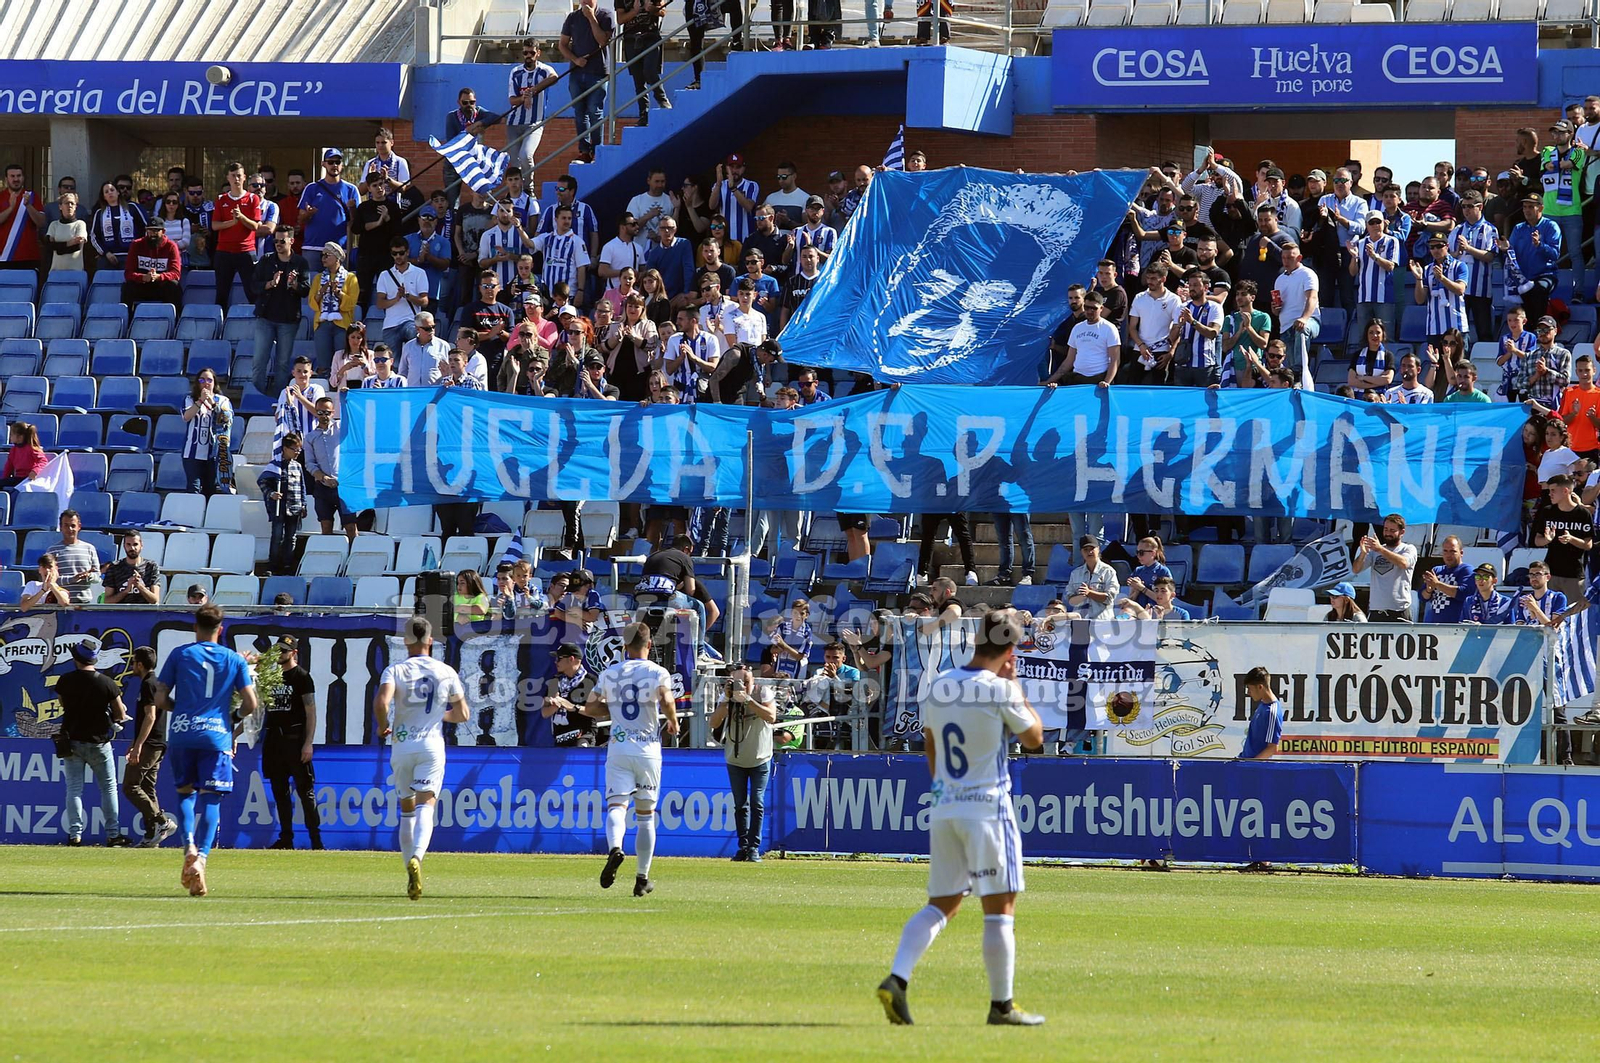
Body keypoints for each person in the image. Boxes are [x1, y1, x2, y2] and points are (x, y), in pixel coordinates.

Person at [877, 609, 1044, 1028]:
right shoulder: (998, 688)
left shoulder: (941, 684)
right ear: (1009, 651)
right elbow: (1035, 738)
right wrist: (1015, 684)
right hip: (987, 808)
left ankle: (897, 978)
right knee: (1000, 907)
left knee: (943, 904)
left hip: (946, 805)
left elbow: (930, 745)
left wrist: (944, 790)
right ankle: (1001, 1006)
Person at [157, 605, 258, 896]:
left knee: (185, 794)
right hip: (216, 736)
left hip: (182, 734)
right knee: (211, 801)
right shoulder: (234, 659)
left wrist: (183, 709)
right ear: (221, 628)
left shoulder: (181, 654)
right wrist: (233, 718)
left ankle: (187, 844)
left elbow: (160, 698)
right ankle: (200, 857)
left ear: (194, 626)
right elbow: (250, 703)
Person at [374, 616, 471, 900]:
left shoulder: (396, 670)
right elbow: (463, 714)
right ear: (431, 640)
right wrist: (439, 715)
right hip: (431, 744)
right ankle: (418, 857)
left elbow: (381, 702)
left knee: (406, 808)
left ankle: (408, 868)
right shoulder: (446, 671)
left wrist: (383, 726)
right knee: (426, 804)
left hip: (403, 744)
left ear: (405, 641)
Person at [584, 622, 678, 897]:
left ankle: (615, 847)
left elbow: (590, 707)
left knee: (616, 806)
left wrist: (613, 710)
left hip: (619, 746)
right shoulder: (657, 671)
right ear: (649, 645)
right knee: (646, 816)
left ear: (624, 647)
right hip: (648, 749)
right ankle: (642, 878)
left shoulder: (610, 673)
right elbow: (666, 698)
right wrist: (672, 721)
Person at [56, 638, 130, 847]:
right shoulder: (106, 682)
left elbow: (63, 704)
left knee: (74, 789)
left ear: (75, 658)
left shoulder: (65, 680)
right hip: (99, 742)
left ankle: (75, 834)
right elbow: (120, 712)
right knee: (108, 789)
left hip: (72, 741)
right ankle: (113, 834)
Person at [709, 662, 777, 862]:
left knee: (757, 801)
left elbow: (771, 716)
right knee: (740, 804)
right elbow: (713, 723)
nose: (743, 686)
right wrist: (728, 700)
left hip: (760, 757)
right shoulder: (727, 697)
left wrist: (748, 700)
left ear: (753, 680)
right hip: (735, 759)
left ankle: (754, 847)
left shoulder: (763, 692)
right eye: (739, 682)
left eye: (746, 682)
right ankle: (743, 846)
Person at [262, 636, 322, 851]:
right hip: (274, 740)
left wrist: (308, 743)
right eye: (278, 650)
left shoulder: (302, 677)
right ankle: (286, 838)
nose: (280, 655)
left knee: (305, 791)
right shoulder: (270, 676)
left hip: (295, 739)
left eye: (285, 651)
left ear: (294, 653)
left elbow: (311, 712)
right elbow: (259, 710)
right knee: (280, 791)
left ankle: (316, 841)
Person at [123, 646, 177, 848]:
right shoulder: (156, 683)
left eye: (133, 662)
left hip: (151, 743)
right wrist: (134, 742)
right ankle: (151, 834)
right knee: (147, 787)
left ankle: (162, 822)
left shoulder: (148, 684)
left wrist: (138, 746)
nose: (132, 666)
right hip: (157, 742)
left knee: (130, 785)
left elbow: (150, 716)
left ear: (140, 664)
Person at [252, 228, 311, 396]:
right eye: (275, 241)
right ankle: (257, 396)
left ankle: (280, 399)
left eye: (282, 241)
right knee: (259, 360)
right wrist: (270, 284)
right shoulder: (266, 260)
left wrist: (294, 285)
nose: (278, 244)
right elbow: (253, 285)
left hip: (288, 319)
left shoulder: (300, 262)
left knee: (283, 362)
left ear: (291, 241)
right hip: (265, 317)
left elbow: (306, 290)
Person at [559, 0, 615, 163]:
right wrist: (575, 60)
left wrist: (591, 17)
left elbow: (603, 41)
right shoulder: (572, 17)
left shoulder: (605, 15)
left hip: (598, 72)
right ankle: (584, 151)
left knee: (594, 111)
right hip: (576, 73)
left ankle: (597, 149)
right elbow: (562, 44)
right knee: (579, 112)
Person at [1533, 473, 1595, 604]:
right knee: (1549, 611)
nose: (1550, 494)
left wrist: (1571, 539)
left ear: (1565, 490)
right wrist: (1547, 540)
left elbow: (1588, 544)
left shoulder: (1582, 514)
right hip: (1550, 572)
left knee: (1574, 613)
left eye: (1553, 490)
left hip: (1574, 574)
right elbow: (1537, 540)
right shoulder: (1547, 511)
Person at [211, 161, 265, 307]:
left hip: (246, 251)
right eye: (233, 176)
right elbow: (214, 226)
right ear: (228, 178)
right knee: (222, 293)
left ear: (244, 178)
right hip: (224, 252)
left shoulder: (253, 199)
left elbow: (255, 226)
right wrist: (231, 223)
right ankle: (220, 326)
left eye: (239, 176)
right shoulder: (221, 199)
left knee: (252, 292)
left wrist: (241, 217)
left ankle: (255, 323)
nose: (236, 179)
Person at [304, 396, 356, 540]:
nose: (324, 416)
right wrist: (323, 477)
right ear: (316, 412)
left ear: (333, 412)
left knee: (351, 527)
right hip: (322, 487)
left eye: (327, 412)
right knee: (326, 527)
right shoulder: (310, 437)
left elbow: (355, 419)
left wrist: (346, 399)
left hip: (343, 486)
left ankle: (353, 556)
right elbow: (309, 463)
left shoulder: (341, 428)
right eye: (320, 412)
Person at [258, 432, 307, 576]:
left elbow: (302, 486)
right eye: (294, 449)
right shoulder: (274, 466)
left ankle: (287, 564)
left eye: (299, 450)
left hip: (295, 507)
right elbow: (262, 482)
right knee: (277, 536)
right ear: (285, 448)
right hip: (279, 508)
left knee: (291, 537)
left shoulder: (297, 466)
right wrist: (272, 494)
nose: (297, 453)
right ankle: (273, 564)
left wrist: (303, 505)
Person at [1353, 513, 1417, 622]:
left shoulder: (1408, 549)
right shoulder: (1374, 551)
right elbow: (1356, 569)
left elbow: (1404, 563)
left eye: (1392, 531)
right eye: (1386, 529)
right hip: (1376, 611)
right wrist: (1363, 554)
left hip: (1399, 611)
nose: (1387, 533)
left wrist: (1381, 550)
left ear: (1402, 532)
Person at [308, 244, 360, 370]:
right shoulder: (318, 278)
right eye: (322, 255)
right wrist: (322, 290)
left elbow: (351, 303)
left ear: (337, 258)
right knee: (324, 364)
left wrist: (338, 293)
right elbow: (312, 303)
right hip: (322, 324)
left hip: (342, 325)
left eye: (327, 255)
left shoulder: (350, 278)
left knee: (342, 364)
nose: (323, 258)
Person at [541, 643, 597, 747]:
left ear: (571, 659)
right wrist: (555, 705)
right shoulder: (554, 681)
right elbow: (544, 713)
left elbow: (598, 712)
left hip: (583, 735)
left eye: (559, 659)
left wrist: (572, 707)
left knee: (582, 755)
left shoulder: (591, 680)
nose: (556, 662)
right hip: (560, 737)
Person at [121, 217, 182, 308]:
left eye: (156, 231)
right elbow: (128, 273)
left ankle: (174, 318)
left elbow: (175, 273)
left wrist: (159, 277)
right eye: (149, 231)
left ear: (163, 231)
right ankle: (127, 318)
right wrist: (143, 277)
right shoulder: (136, 244)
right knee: (127, 286)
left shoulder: (171, 246)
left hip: (161, 286)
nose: (152, 234)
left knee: (174, 286)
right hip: (142, 285)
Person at [48, 510, 100, 605]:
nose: (70, 529)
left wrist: (89, 576)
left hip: (84, 603)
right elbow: (49, 579)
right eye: (66, 525)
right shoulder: (52, 551)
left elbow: (97, 577)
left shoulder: (89, 548)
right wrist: (72, 579)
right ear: (61, 527)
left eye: (73, 525)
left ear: (79, 526)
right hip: (60, 603)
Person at [1066, 535, 1119, 620]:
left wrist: (1089, 593)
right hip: (1080, 621)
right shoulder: (1075, 574)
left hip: (1102, 621)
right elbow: (1070, 600)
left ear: (1098, 549)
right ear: (1081, 552)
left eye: (1092, 548)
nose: (1089, 552)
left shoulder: (1108, 571)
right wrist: (1082, 596)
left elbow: (1109, 598)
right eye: (1085, 549)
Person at [102, 530, 161, 606]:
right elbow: (107, 601)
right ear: (124, 546)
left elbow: (155, 600)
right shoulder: (114, 567)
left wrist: (139, 585)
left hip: (145, 613)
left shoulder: (151, 566)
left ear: (141, 545)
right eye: (128, 544)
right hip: (120, 613)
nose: (132, 548)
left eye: (135, 544)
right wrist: (127, 590)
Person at [1239, 665, 1283, 760]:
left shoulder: (1272, 712)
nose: (1248, 692)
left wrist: (1251, 765)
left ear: (1260, 687)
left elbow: (1272, 747)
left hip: (1255, 769)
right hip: (1245, 762)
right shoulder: (1263, 705)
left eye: (1249, 688)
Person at [44, 190, 87, 272]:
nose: (70, 206)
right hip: (56, 271)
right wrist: (68, 243)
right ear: (60, 206)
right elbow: (49, 246)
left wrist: (58, 248)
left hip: (76, 271)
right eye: (67, 203)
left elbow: (77, 247)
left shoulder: (80, 224)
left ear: (75, 207)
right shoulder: (54, 225)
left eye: (72, 203)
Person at [0, 421, 48, 490]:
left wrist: (35, 471)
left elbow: (43, 461)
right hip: (18, 478)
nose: (10, 437)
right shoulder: (14, 449)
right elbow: (9, 466)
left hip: (28, 479)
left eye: (12, 435)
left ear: (20, 437)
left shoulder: (32, 448)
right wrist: (5, 479)